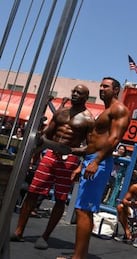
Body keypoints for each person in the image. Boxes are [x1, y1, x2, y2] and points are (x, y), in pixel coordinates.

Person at [10, 84, 95, 250]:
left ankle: (45, 236)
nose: (75, 94)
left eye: (79, 93)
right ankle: (19, 230)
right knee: (33, 191)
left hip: (70, 158)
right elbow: (47, 135)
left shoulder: (88, 119)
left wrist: (74, 153)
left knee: (60, 198)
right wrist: (36, 147)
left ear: (85, 97)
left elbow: (90, 147)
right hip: (50, 154)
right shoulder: (60, 113)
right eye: (74, 91)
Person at [70, 76, 130, 259]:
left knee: (84, 211)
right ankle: (79, 255)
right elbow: (97, 141)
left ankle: (78, 257)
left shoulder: (119, 109)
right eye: (101, 86)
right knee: (82, 209)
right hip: (91, 160)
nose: (101, 89)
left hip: (99, 162)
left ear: (116, 90)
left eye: (106, 86)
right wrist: (83, 163)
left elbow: (114, 139)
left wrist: (95, 161)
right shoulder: (105, 111)